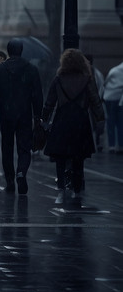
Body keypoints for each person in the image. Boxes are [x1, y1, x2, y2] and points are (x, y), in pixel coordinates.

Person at [41, 49, 105, 205]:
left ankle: (61, 190)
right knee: (78, 158)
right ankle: (77, 191)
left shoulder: (58, 79)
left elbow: (50, 101)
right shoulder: (87, 79)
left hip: (62, 120)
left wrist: (44, 119)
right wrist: (100, 119)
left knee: (60, 158)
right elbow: (95, 100)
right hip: (80, 122)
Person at [0, 39, 43, 194]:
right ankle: (21, 172)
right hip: (24, 114)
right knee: (24, 148)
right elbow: (37, 96)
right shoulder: (31, 69)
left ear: (8, 50)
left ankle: (10, 180)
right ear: (21, 50)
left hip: (6, 115)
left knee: (7, 148)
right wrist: (37, 116)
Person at [101, 59, 123, 153]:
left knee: (111, 122)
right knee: (120, 122)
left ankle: (112, 146)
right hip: (120, 97)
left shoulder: (114, 70)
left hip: (109, 97)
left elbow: (105, 82)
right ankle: (121, 146)